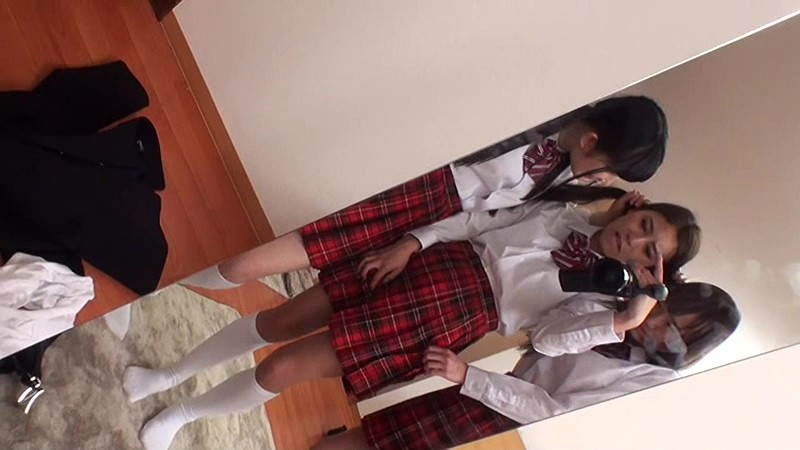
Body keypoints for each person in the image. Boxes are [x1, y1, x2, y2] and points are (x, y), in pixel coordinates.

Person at [123, 187, 697, 450]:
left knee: (282, 370)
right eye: (645, 226)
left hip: (452, 313)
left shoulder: (601, 307)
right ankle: (168, 375)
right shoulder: (561, 210)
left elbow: (544, 341)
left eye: (649, 253)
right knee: (278, 323)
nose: (634, 241)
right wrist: (411, 243)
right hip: (431, 263)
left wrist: (622, 320)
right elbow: (475, 222)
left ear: (651, 272)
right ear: (636, 208)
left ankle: (183, 413)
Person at [182, 96, 668, 289]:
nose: (606, 182)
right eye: (610, 171)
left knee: (247, 263)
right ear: (591, 141)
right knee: (244, 251)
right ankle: (175, 273)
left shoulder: (562, 177)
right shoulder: (533, 110)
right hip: (403, 179)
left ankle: (176, 277)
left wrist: (416, 240)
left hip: (422, 210)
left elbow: (480, 214)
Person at [312, 282, 741, 450]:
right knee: (373, 434)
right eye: (665, 312)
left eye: (674, 332)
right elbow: (544, 339)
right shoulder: (613, 308)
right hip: (493, 393)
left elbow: (555, 414)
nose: (657, 326)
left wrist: (470, 377)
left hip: (512, 423)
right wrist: (621, 321)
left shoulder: (654, 381)